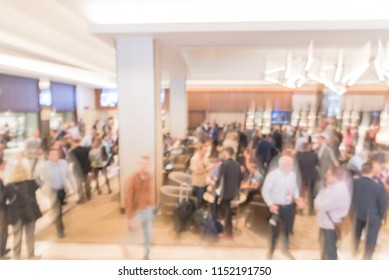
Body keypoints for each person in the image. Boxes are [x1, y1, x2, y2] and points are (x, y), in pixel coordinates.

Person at [261, 155, 305, 260]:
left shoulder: (292, 175)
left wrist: (297, 198)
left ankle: (286, 250)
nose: (291, 166)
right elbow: (265, 191)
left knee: (287, 229)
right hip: (276, 207)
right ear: (283, 165)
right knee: (274, 231)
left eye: (291, 165)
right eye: (289, 165)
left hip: (289, 207)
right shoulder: (273, 175)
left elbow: (295, 189)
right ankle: (271, 251)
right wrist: (270, 204)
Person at [34, 149, 76, 239]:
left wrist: (74, 186)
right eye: (52, 155)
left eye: (56, 154)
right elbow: (36, 176)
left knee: (59, 208)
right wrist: (41, 184)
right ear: (48, 157)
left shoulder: (63, 163)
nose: (54, 156)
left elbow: (69, 175)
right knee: (57, 209)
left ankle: (57, 219)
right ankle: (60, 229)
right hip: (52, 190)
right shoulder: (44, 165)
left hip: (62, 190)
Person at [4, 163, 42, 259]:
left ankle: (16, 256)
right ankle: (31, 255)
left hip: (15, 214)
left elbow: (4, 198)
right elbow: (39, 184)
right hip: (29, 212)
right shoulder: (31, 183)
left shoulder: (8, 186)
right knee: (30, 234)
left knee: (17, 236)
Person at [352, 161, 387, 260]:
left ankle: (354, 252)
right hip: (372, 216)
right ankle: (367, 258)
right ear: (372, 170)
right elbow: (382, 204)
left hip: (357, 213)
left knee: (356, 235)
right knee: (371, 240)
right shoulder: (378, 187)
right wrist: (382, 217)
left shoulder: (354, 182)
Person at [314, 166, 351, 260]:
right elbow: (318, 199)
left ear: (335, 176)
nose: (326, 176)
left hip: (331, 225)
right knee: (324, 247)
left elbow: (321, 205)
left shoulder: (339, 190)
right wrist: (319, 201)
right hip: (325, 223)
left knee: (330, 251)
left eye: (328, 174)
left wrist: (319, 202)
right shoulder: (330, 186)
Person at [125, 156, 156, 260]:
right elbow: (128, 197)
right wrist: (128, 216)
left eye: (146, 164)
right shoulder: (134, 178)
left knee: (148, 233)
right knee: (134, 233)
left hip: (147, 210)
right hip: (137, 211)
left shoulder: (149, 176)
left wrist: (151, 205)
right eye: (142, 164)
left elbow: (149, 192)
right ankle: (127, 250)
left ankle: (146, 254)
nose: (144, 166)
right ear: (139, 165)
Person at [216, 147, 242, 240]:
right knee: (229, 213)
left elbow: (220, 179)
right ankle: (228, 232)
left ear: (226, 153)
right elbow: (240, 179)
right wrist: (237, 191)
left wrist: (215, 186)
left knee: (226, 214)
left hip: (225, 192)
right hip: (234, 192)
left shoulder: (224, 164)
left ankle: (228, 234)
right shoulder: (237, 164)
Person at [296, 142, 319, 215]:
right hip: (312, 176)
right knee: (311, 194)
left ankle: (300, 210)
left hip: (302, 177)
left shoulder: (298, 156)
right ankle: (311, 211)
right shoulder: (314, 155)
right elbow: (317, 164)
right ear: (309, 147)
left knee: (301, 194)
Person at [68, 138, 92, 203]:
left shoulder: (73, 151)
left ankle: (81, 198)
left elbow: (70, 160)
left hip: (78, 170)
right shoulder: (85, 149)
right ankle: (88, 195)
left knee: (79, 185)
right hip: (85, 168)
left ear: (74, 143)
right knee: (87, 183)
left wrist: (69, 151)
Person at [190, 144, 212, 209]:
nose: (205, 153)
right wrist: (206, 170)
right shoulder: (194, 159)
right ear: (199, 150)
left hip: (205, 182)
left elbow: (208, 165)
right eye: (204, 151)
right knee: (200, 201)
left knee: (206, 200)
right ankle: (199, 214)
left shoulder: (205, 157)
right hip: (198, 184)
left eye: (206, 151)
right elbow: (195, 172)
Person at [0, 157, 10, 259]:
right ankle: (1, 252)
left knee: (4, 229)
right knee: (3, 229)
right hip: (1, 207)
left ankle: (2, 248)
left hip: (3, 205)